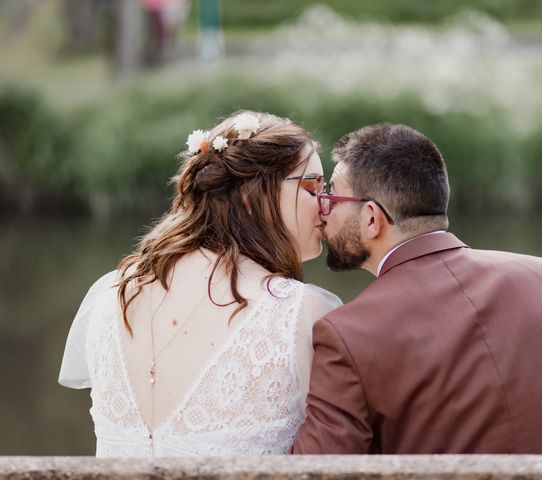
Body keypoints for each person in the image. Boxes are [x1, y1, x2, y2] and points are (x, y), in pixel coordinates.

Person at [292, 123, 542, 454]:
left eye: (332, 196)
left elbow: (316, 470)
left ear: (372, 219)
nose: (324, 209)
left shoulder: (348, 333)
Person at [59, 111, 341, 456]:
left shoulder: (112, 296)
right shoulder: (300, 314)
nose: (327, 206)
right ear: (253, 196)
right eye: (313, 186)